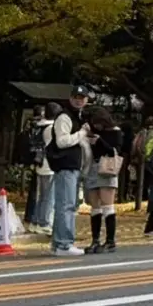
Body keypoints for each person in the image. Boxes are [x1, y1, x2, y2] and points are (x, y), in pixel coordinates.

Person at [49, 85, 90, 255]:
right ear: (70, 98)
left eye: (82, 97)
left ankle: (59, 243)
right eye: (76, 97)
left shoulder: (76, 117)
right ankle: (63, 243)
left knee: (68, 204)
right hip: (66, 165)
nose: (79, 100)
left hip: (73, 166)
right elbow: (62, 141)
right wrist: (82, 134)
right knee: (66, 205)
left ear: (86, 100)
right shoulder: (65, 117)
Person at [86, 113, 124, 253]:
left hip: (107, 167)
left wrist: (100, 141)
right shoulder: (91, 131)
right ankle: (95, 240)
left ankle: (110, 240)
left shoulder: (115, 132)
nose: (96, 126)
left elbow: (115, 151)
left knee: (108, 205)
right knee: (95, 206)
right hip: (93, 167)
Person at [26, 104, 55, 234]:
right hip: (50, 164)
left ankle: (35, 221)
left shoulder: (38, 127)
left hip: (40, 163)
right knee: (49, 196)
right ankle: (44, 222)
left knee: (41, 195)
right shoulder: (52, 128)